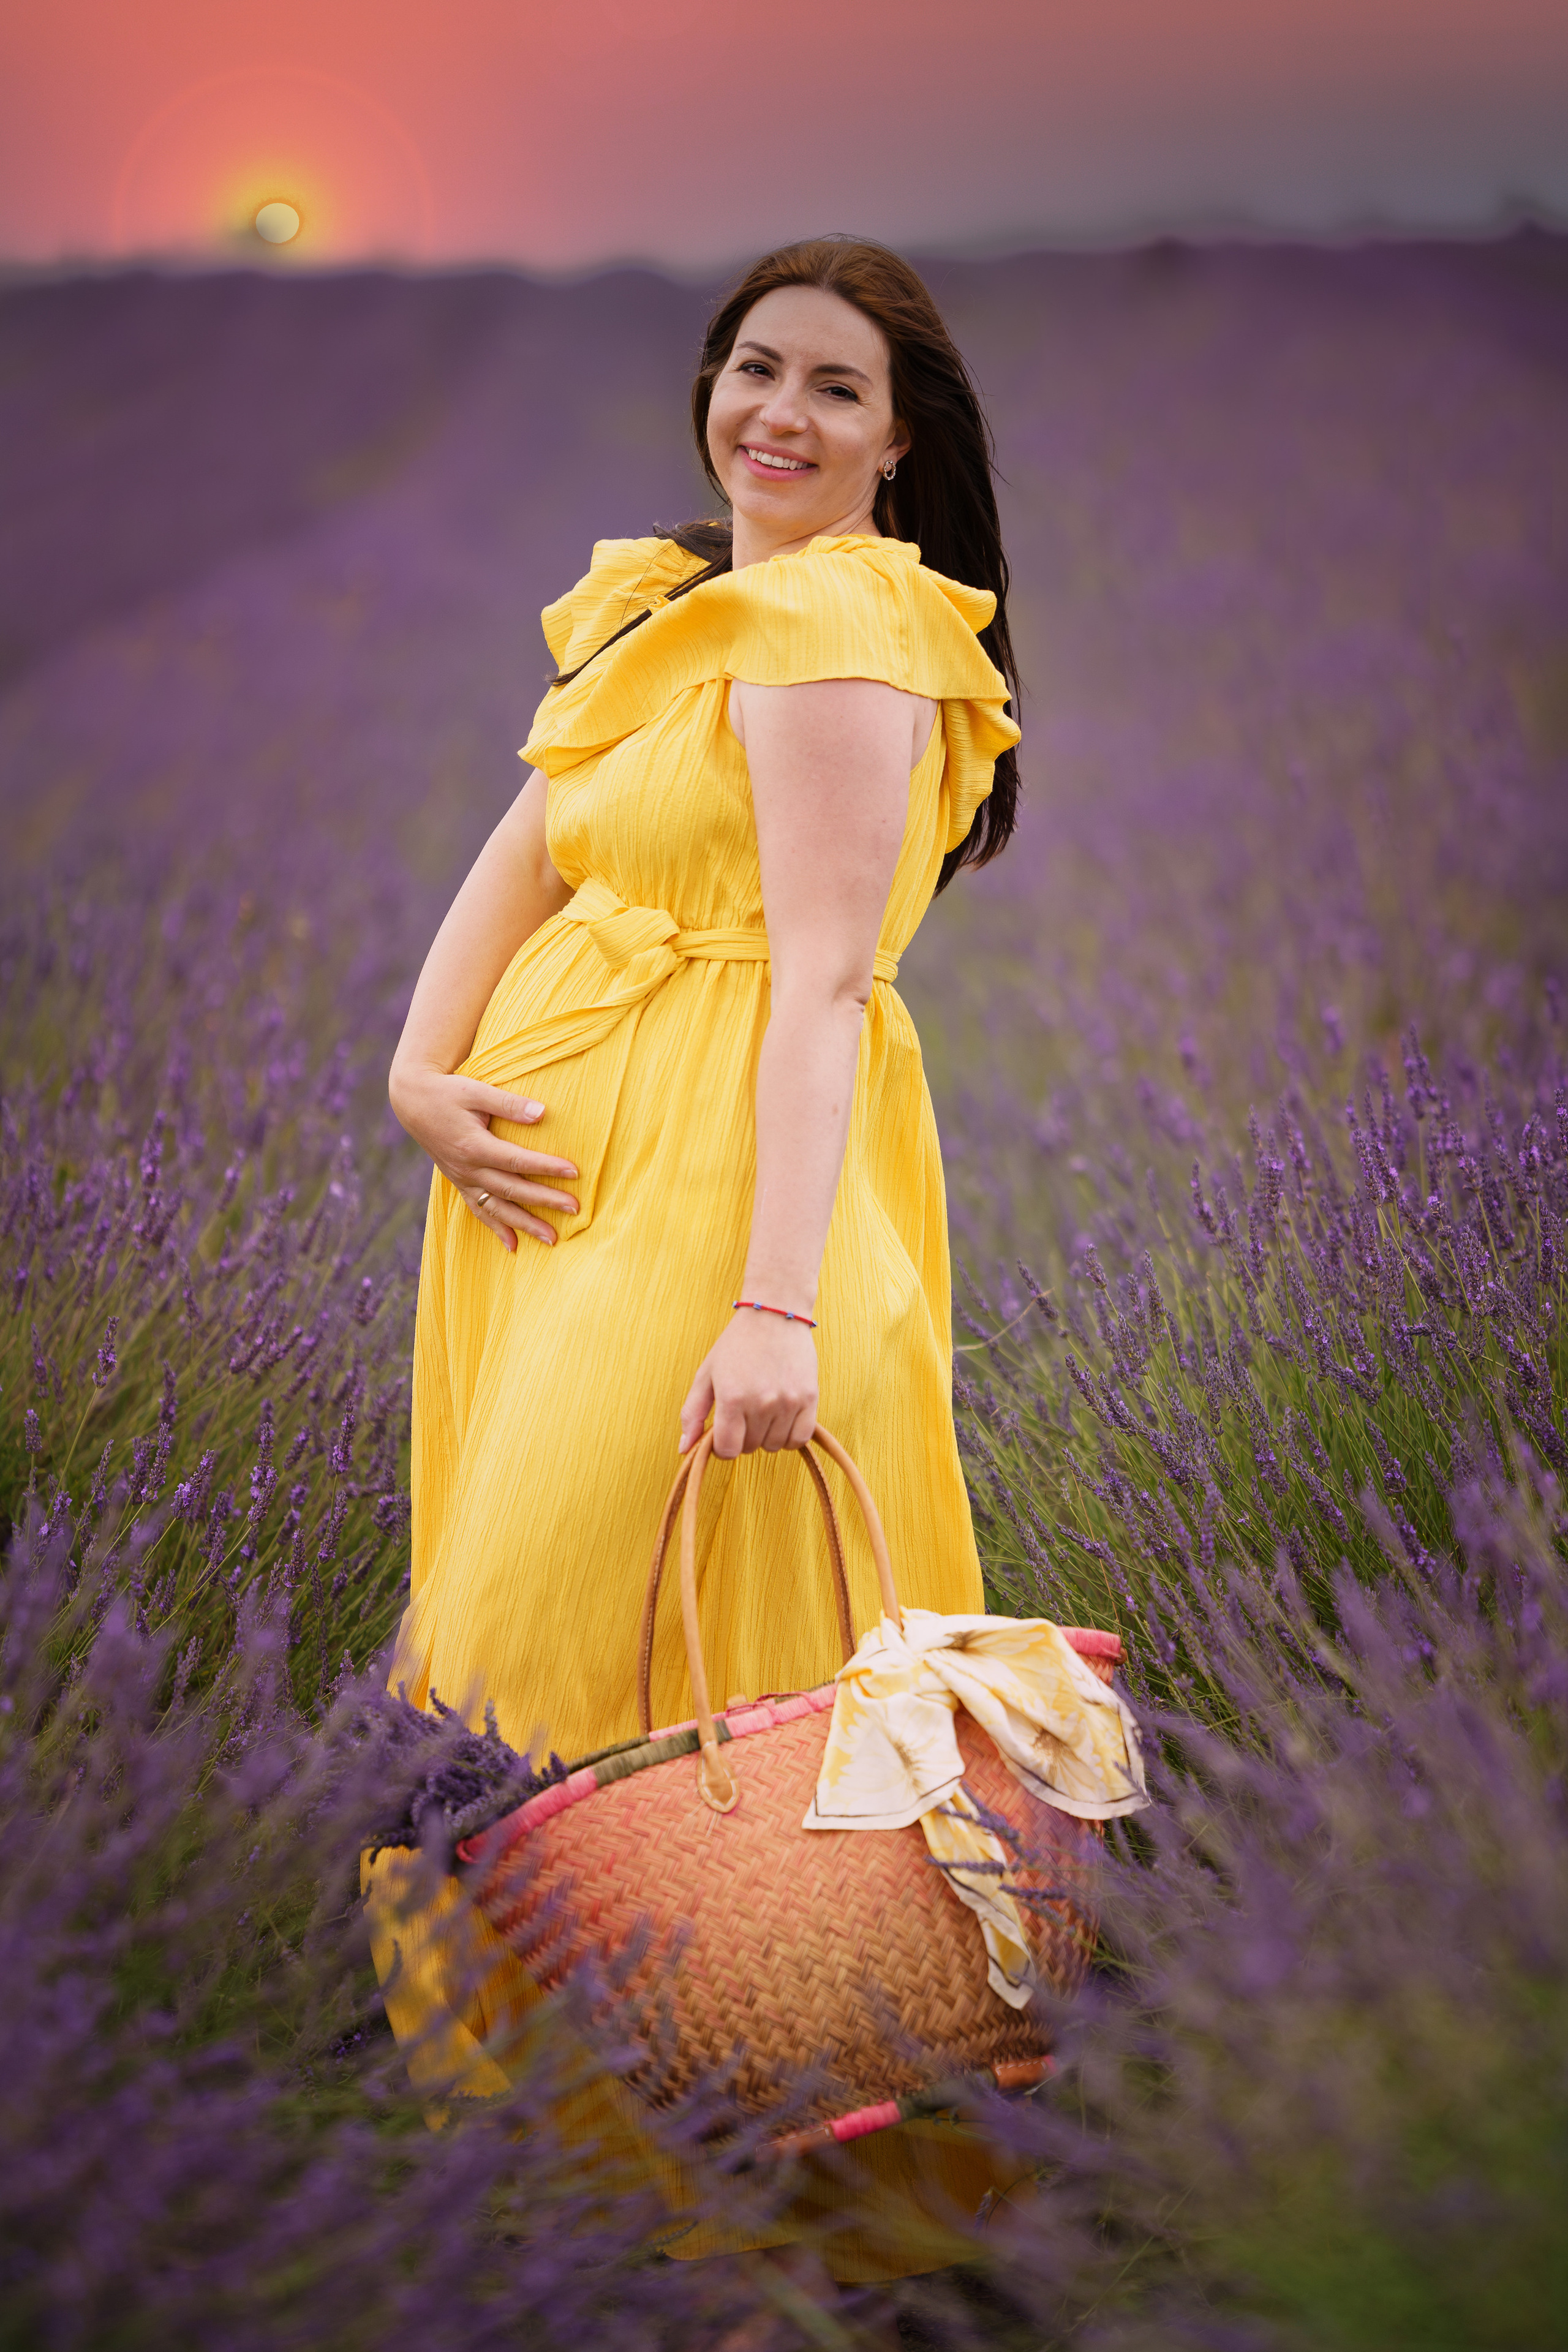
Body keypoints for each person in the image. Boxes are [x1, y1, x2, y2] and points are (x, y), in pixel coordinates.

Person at [366, 235, 1023, 2280]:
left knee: (573, 1648)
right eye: (755, 369)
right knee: (518, 1665)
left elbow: (819, 987)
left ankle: (749, 2227)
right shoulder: (672, 606)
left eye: (834, 388)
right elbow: (535, 841)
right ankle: (583, 2212)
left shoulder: (842, 629)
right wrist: (418, 1072)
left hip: (717, 1204)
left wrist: (770, 1304)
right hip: (542, 1210)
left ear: (899, 441)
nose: (778, 416)